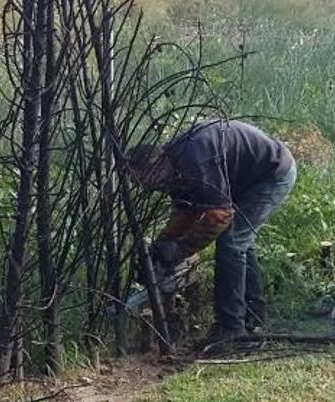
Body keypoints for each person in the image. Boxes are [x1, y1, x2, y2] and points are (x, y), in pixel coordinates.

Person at [125, 119, 297, 354]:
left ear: (155, 167)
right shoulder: (174, 166)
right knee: (241, 244)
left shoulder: (194, 159)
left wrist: (178, 250)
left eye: (143, 181)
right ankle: (252, 318)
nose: (145, 189)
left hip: (271, 173)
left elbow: (219, 215)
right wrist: (162, 243)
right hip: (247, 178)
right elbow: (186, 211)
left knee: (232, 243)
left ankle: (232, 329)